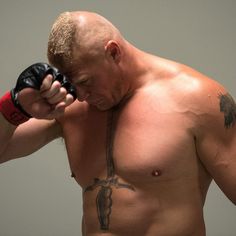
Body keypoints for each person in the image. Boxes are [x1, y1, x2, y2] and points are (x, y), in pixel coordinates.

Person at [0, 11, 235, 236]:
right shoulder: (68, 105)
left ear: (113, 52)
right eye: (73, 85)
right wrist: (15, 105)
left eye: (86, 81)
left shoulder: (196, 98)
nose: (80, 96)